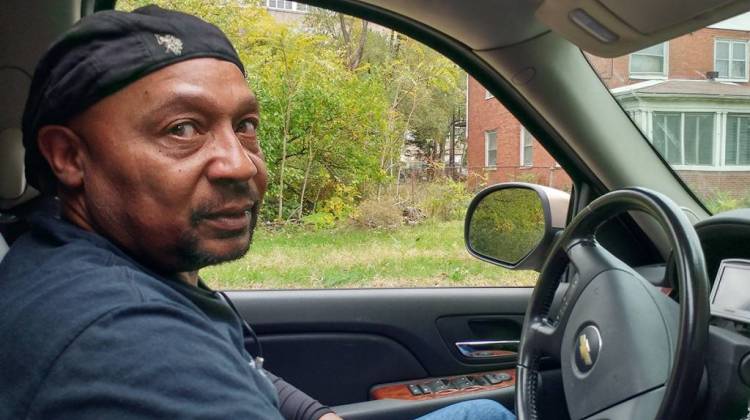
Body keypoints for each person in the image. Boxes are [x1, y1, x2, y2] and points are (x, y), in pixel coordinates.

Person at [0, 5, 516, 420]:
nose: (240, 165)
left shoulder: (77, 255)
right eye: (182, 129)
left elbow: (243, 367)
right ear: (69, 157)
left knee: (477, 409)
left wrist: (315, 414)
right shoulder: (127, 340)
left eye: (244, 124)